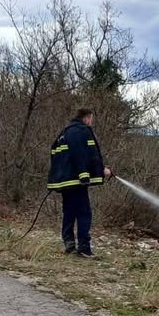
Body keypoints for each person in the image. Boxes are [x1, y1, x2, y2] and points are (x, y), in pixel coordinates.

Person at [47, 108, 111, 257]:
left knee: (69, 212)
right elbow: (82, 155)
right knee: (84, 213)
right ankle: (84, 249)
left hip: (66, 181)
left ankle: (69, 245)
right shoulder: (81, 131)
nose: (91, 122)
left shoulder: (65, 132)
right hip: (76, 181)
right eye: (91, 119)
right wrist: (84, 175)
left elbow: (66, 157)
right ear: (87, 118)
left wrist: (100, 170)